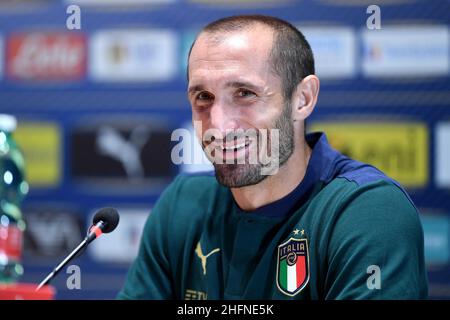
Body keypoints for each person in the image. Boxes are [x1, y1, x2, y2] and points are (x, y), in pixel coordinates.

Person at [118, 15, 428, 299]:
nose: (220, 126)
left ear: (303, 99)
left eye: (245, 94)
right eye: (203, 97)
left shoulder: (368, 211)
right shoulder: (182, 205)